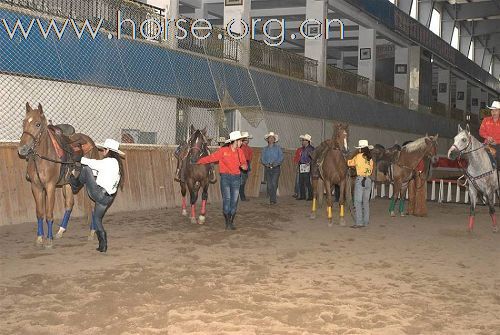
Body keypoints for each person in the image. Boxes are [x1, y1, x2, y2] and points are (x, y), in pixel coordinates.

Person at [69, 138, 125, 252]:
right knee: (97, 218)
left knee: (86, 169)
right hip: (108, 199)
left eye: (104, 149)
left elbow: (91, 164)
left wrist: (80, 158)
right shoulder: (116, 164)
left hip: (99, 194)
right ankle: (102, 245)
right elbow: (97, 171)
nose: (102, 151)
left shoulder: (109, 161)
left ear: (108, 150)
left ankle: (75, 184)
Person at [196, 131, 248, 230]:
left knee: (234, 201)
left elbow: (245, 165)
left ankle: (231, 221)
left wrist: (244, 166)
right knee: (227, 199)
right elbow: (211, 158)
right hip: (225, 178)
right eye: (240, 140)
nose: (241, 142)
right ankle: (228, 222)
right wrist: (198, 161)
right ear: (235, 141)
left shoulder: (240, 152)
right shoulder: (223, 151)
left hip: (236, 178)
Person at [347, 140, 374, 228]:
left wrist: (348, 157)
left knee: (357, 202)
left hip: (360, 180)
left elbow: (349, 163)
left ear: (360, 149)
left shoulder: (358, 156)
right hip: (368, 180)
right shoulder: (370, 159)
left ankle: (359, 222)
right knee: (366, 202)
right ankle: (366, 222)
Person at [261, 132, 284, 205]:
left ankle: (272, 199)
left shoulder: (278, 148)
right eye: (270, 138)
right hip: (267, 168)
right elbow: (262, 158)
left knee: (274, 183)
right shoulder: (264, 149)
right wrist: (266, 163)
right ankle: (272, 197)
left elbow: (281, 157)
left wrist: (276, 163)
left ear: (274, 140)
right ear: (268, 139)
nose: (271, 139)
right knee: (270, 184)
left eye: (272, 138)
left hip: (276, 168)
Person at [293, 134, 315, 200]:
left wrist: (310, 162)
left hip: (307, 165)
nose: (302, 142)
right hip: (302, 165)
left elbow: (314, 157)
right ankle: (303, 196)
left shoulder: (311, 149)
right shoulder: (302, 149)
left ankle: (310, 196)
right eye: (302, 140)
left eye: (304, 140)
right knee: (301, 181)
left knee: (307, 181)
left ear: (307, 141)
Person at [479, 100, 500, 168]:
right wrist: (487, 137)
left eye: (496, 110)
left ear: (499, 111)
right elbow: (481, 131)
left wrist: (496, 142)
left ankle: (497, 171)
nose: (494, 112)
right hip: (486, 144)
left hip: (498, 145)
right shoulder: (485, 120)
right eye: (492, 111)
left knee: (498, 156)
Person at [239, 132, 253, 201]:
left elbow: (250, 157)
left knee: (243, 180)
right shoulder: (240, 148)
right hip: (241, 164)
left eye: (247, 139)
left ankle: (241, 196)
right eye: (246, 139)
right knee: (242, 181)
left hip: (246, 163)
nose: (247, 140)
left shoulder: (248, 148)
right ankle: (242, 197)